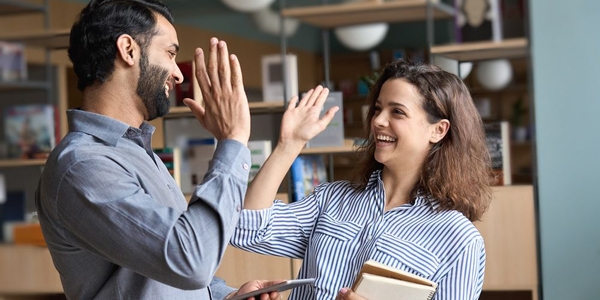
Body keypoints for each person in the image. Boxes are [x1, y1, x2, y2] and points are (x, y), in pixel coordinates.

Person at [34, 0, 328, 299]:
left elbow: (165, 267)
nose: (178, 74)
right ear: (128, 50)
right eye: (170, 54)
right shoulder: (83, 165)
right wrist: (233, 139)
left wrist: (225, 295)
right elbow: (190, 261)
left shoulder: (137, 153)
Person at [231, 59, 494, 300]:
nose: (378, 121)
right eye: (378, 109)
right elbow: (247, 229)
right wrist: (289, 145)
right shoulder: (331, 199)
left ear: (438, 130)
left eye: (397, 112)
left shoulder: (459, 240)